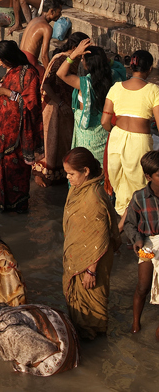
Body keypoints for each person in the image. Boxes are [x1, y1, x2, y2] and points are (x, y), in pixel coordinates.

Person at [62, 147, 121, 339]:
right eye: (66, 174)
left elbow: (100, 238)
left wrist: (90, 270)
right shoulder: (79, 190)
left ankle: (96, 340)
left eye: (71, 174)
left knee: (93, 308)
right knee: (79, 306)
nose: (68, 178)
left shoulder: (93, 198)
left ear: (86, 171)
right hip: (79, 256)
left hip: (93, 263)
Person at [0, 294, 79, 377]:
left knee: (24, 372)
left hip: (63, 344)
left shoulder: (11, 334)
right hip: (51, 317)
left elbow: (48, 349)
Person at [102, 50, 159, 221]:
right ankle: (139, 222)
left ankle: (123, 220)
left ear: (131, 66)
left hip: (117, 138)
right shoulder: (153, 89)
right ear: (149, 69)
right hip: (139, 141)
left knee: (120, 180)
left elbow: (105, 120)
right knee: (140, 182)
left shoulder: (116, 87)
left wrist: (115, 133)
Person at [0, 41, 43, 213]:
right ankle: (5, 206)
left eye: (1, 60)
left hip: (20, 133)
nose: (0, 64)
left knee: (17, 171)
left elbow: (31, 103)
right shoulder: (12, 72)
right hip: (6, 131)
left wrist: (5, 93)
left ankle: (19, 208)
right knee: (5, 168)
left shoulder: (30, 74)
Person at [33, 32, 89, 187]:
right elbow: (46, 84)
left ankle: (63, 175)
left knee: (64, 143)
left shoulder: (77, 60)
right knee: (51, 144)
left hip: (67, 107)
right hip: (55, 107)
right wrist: (60, 103)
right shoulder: (62, 59)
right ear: (74, 47)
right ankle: (42, 175)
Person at [57, 38, 113, 165]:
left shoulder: (84, 83)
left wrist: (74, 54)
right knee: (100, 166)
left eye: (82, 59)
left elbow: (61, 73)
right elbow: (117, 66)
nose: (81, 60)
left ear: (88, 64)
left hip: (86, 135)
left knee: (84, 165)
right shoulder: (112, 78)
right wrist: (101, 57)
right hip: (103, 133)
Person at [124, 150, 159, 338]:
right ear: (148, 176)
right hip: (148, 242)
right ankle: (136, 322)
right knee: (143, 286)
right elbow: (130, 223)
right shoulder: (139, 197)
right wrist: (136, 239)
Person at [19, 0, 63, 81]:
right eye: (59, 12)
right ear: (52, 11)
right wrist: (49, 74)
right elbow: (44, 56)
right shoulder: (47, 28)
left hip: (20, 60)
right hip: (30, 63)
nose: (60, 15)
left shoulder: (34, 20)